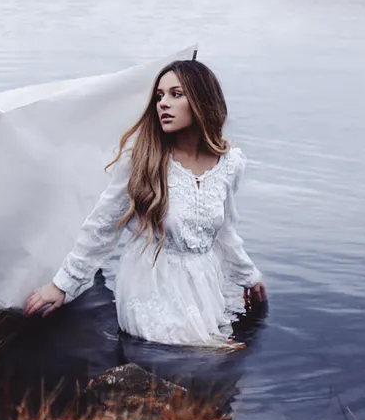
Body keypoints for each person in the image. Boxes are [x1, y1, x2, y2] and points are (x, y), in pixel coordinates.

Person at [24, 58, 267, 346]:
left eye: (176, 95)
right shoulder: (140, 160)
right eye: (159, 96)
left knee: (211, 361)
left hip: (204, 286)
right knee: (192, 356)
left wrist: (249, 276)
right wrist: (63, 285)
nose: (163, 103)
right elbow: (103, 226)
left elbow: (224, 231)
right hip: (151, 284)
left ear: (203, 100)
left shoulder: (230, 164)